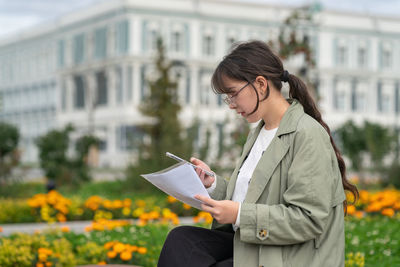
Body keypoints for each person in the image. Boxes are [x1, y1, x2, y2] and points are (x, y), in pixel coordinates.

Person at [157, 40, 358, 267]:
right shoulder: (260, 133)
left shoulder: (306, 135)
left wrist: (240, 215)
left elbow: (308, 219)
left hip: (291, 256)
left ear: (261, 84)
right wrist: (212, 184)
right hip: (261, 246)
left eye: (233, 94)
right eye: (227, 97)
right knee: (182, 241)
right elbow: (253, 198)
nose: (231, 104)